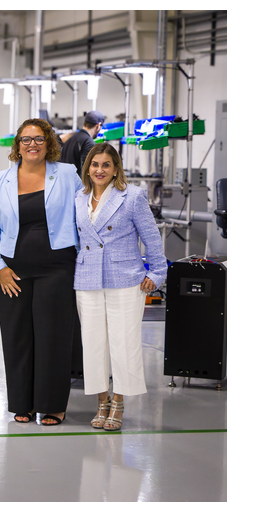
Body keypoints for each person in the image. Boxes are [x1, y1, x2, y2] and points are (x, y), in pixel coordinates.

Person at [0, 118, 82, 425]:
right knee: (17, 338)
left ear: (49, 143)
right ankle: (22, 404)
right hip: (13, 271)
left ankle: (53, 405)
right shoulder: (1, 180)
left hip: (57, 268)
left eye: (39, 139)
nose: (32, 144)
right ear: (18, 145)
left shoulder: (67, 174)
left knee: (54, 338)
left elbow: (86, 212)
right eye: (26, 139)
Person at [74, 142, 166, 431]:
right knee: (93, 344)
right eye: (95, 164)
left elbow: (151, 238)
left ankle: (119, 402)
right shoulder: (79, 197)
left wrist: (158, 273)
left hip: (125, 279)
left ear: (116, 170)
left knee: (124, 344)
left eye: (106, 165)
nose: (99, 170)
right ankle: (102, 401)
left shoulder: (133, 196)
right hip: (88, 279)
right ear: (87, 168)